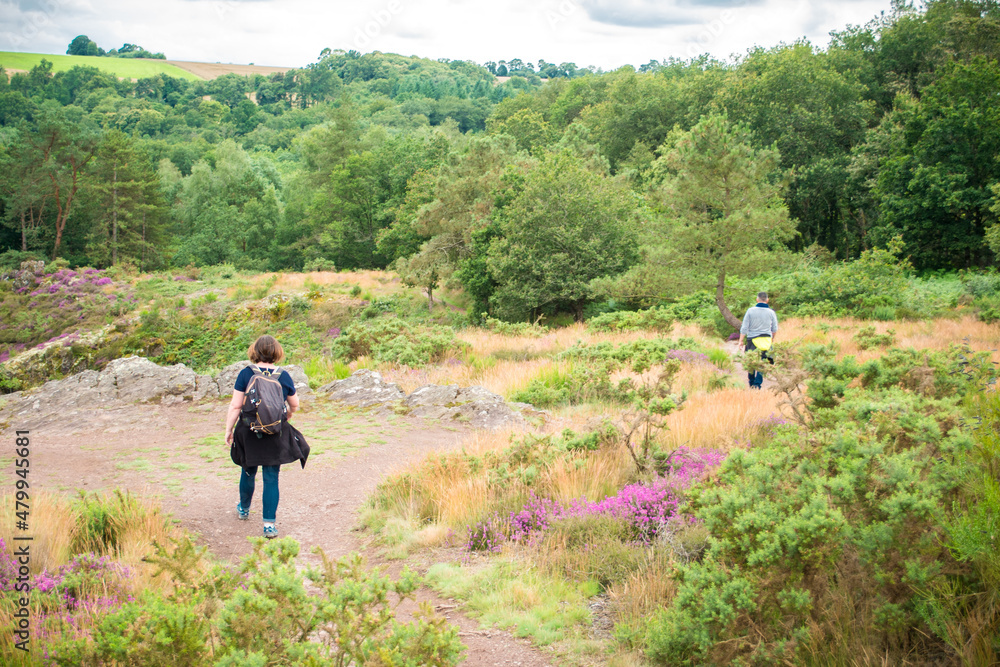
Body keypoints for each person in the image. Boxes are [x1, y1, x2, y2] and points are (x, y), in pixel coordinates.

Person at [225, 335, 303, 539]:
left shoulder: (245, 373)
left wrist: (228, 429)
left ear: (255, 351)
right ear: (276, 352)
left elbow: (236, 405)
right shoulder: (283, 375)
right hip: (275, 432)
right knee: (271, 477)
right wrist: (287, 415)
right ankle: (269, 525)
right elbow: (294, 404)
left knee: (248, 470)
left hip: (248, 430)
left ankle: (243, 509)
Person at [738, 292, 778, 389]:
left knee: (751, 361)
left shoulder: (750, 311)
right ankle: (757, 384)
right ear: (767, 300)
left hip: (752, 339)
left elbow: (744, 327)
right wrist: (772, 339)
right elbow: (775, 329)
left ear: (757, 299)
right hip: (766, 340)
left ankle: (751, 383)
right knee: (763, 362)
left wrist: (741, 340)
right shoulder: (771, 312)